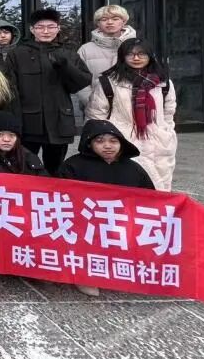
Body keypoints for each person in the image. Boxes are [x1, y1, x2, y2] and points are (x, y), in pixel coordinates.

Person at [60, 119, 155, 296]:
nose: (108, 146)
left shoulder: (133, 169)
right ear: (89, 143)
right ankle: (85, 276)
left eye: (113, 141)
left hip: (122, 220)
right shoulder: (73, 165)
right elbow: (61, 198)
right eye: (100, 141)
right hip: (86, 221)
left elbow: (151, 199)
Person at [5, 9, 92, 175]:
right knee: (22, 168)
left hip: (59, 122)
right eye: (40, 27)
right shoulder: (17, 54)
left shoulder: (68, 53)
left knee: (55, 169)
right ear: (32, 29)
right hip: (28, 123)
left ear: (58, 28)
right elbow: (9, 89)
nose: (46, 31)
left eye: (51, 27)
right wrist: (14, 121)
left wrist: (65, 66)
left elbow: (81, 82)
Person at [86, 38, 177, 191]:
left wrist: (166, 131)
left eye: (141, 54)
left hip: (159, 140)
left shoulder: (163, 83)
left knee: (161, 185)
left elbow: (169, 112)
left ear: (150, 56)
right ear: (122, 56)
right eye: (130, 54)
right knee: (127, 185)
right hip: (123, 139)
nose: (136, 58)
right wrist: (106, 140)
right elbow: (96, 115)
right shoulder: (108, 82)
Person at [77, 5, 138, 112]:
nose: (110, 22)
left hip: (134, 108)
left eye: (115, 19)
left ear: (124, 22)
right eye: (104, 19)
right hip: (98, 110)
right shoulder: (85, 50)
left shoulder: (138, 46)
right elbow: (79, 80)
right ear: (98, 23)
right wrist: (93, 103)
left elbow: (151, 75)